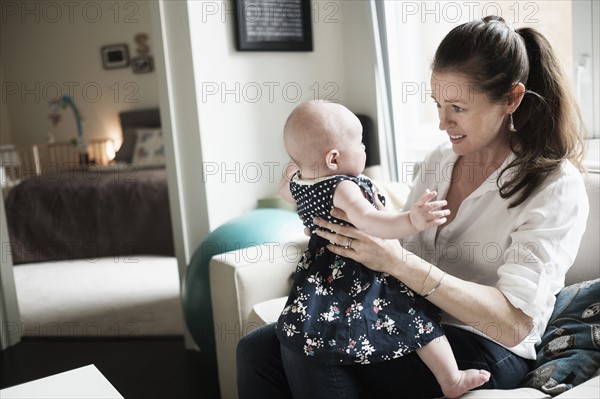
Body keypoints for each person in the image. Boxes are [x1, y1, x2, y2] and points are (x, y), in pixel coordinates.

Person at [237, 15, 589, 399]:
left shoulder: (554, 185)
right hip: (408, 318)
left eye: (457, 107)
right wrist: (347, 234)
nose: (442, 122)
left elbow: (514, 323)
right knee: (256, 349)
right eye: (437, 104)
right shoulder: (440, 159)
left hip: (484, 343)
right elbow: (399, 243)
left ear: (512, 98)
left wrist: (395, 262)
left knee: (315, 351)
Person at [276, 100, 490, 398]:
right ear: (334, 158)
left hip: (322, 278)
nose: (364, 150)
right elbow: (373, 222)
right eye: (360, 143)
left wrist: (299, 161)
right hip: (362, 270)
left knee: (313, 333)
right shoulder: (343, 187)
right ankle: (450, 378)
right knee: (415, 319)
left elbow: (285, 190)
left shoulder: (298, 183)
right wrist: (412, 220)